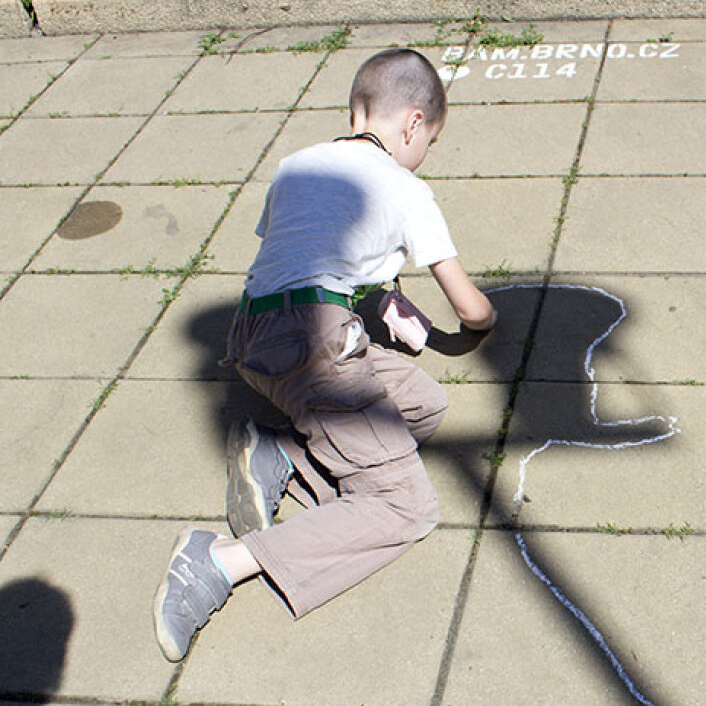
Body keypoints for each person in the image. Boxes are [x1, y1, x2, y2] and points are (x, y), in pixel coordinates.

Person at [153, 48, 496, 662]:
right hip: (315, 346)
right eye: (430, 141)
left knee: (423, 403)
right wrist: (483, 324)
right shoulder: (406, 187)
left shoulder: (297, 165)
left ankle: (279, 452)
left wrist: (379, 297)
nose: (424, 152)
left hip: (253, 337)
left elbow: (302, 253)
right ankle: (216, 562)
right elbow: (471, 309)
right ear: (413, 124)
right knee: (405, 505)